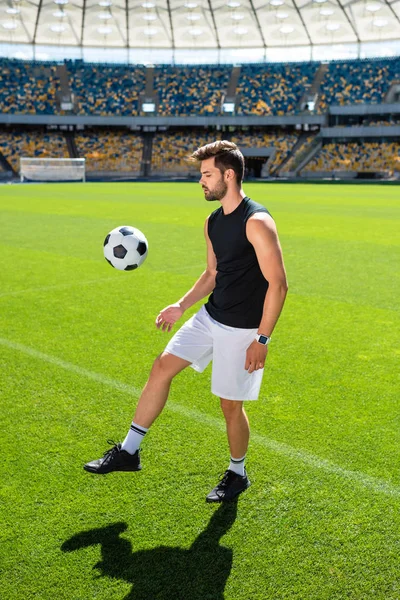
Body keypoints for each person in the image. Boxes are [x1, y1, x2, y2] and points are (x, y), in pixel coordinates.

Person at [84, 140, 288, 503]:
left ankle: (237, 474)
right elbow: (212, 273)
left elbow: (279, 284)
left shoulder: (257, 222)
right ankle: (130, 452)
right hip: (210, 316)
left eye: (207, 174)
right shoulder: (212, 221)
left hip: (243, 329)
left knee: (230, 406)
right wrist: (181, 305)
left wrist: (262, 339)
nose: (201, 181)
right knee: (161, 367)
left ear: (229, 175)